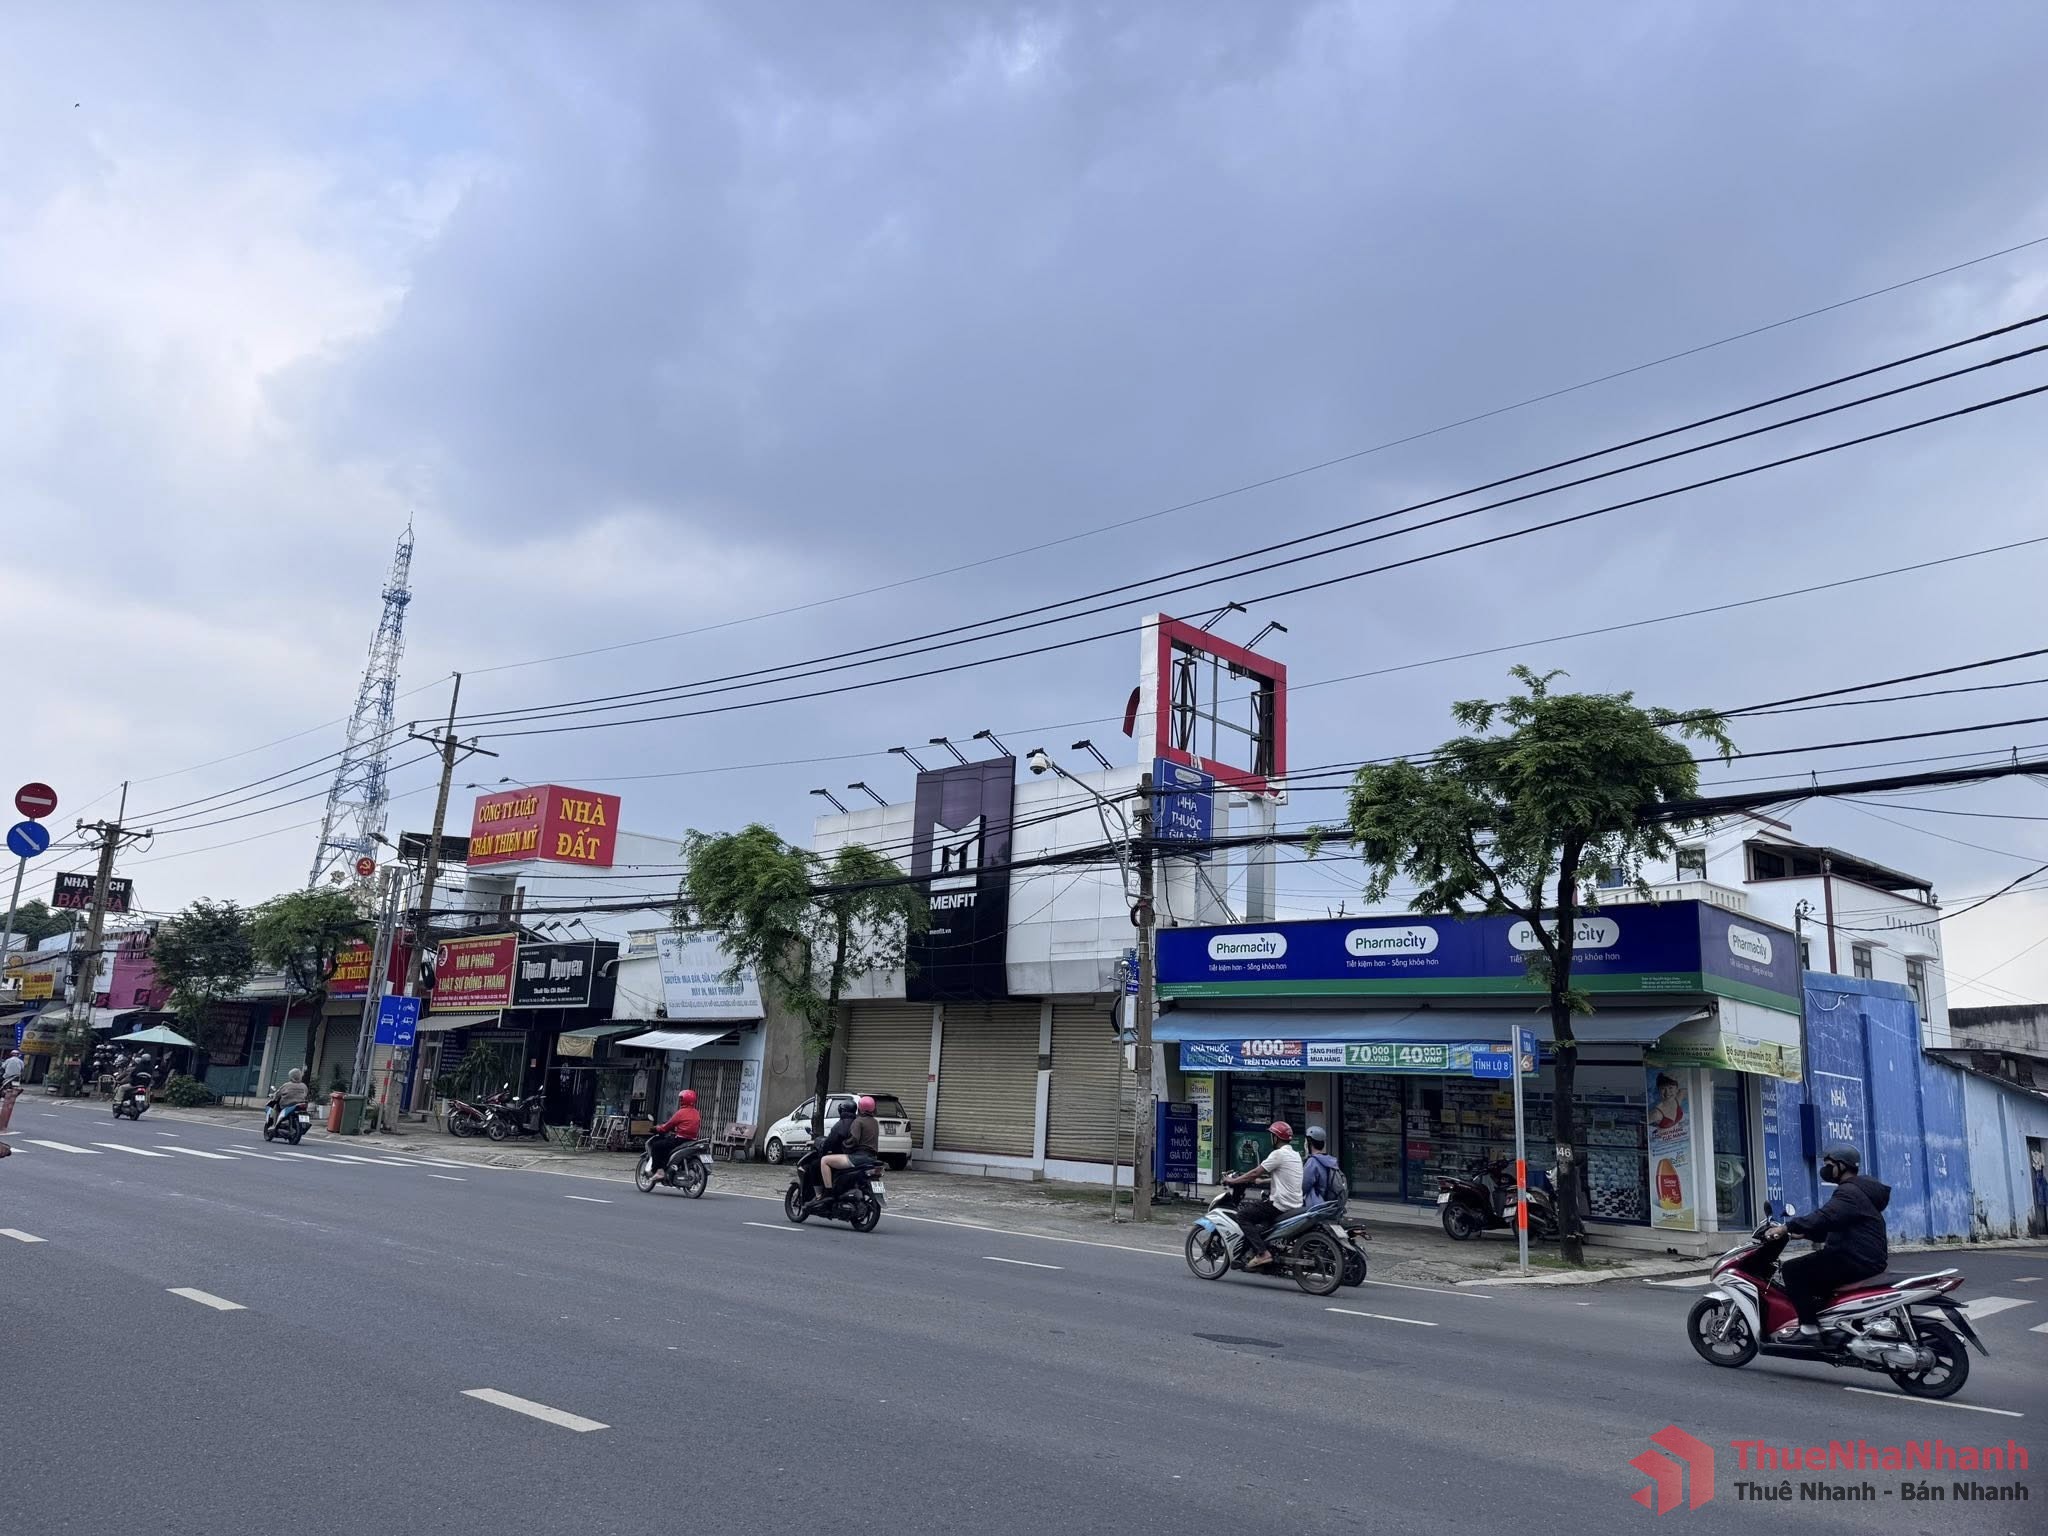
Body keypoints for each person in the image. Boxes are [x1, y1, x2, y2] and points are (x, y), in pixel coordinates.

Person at [1771, 1143, 1890, 1341]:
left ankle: (1808, 1329)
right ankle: (1834, 1324)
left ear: (1842, 1165)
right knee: (1814, 1276)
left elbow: (1825, 1216)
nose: (1824, 1170)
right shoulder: (1859, 1190)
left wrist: (1786, 1227)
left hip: (1854, 1259)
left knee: (1792, 1270)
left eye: (1828, 1165)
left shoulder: (1849, 1192)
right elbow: (1840, 1226)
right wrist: (1807, 1234)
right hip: (1863, 1257)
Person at [1226, 1121, 1303, 1268]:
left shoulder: (1278, 1154)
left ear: (1275, 1138)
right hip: (1295, 1204)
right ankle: (1249, 1254)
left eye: (1271, 1135)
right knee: (1259, 1223)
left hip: (1280, 1204)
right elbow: (1284, 1177)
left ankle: (1262, 1254)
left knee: (1242, 1216)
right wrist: (1262, 1181)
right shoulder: (1295, 1155)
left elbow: (1255, 1172)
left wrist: (1233, 1181)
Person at [807, 1100, 859, 1208]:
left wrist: (823, 1149)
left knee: (815, 1165)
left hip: (843, 1157)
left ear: (842, 1111)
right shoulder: (857, 1123)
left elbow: (830, 1142)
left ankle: (821, 1195)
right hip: (856, 1156)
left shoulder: (841, 1125)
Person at [644, 1089, 701, 1179]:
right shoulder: (696, 1113)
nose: (680, 1101)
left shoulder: (681, 1113)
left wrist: (657, 1128)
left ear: (685, 1100)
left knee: (656, 1146)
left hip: (680, 1140)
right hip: (692, 1140)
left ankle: (659, 1171)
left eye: (681, 1099)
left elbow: (667, 1126)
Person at [1301, 1126, 1341, 1211]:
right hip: (1328, 1205)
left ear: (1309, 1143)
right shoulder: (1331, 1160)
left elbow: (1303, 1186)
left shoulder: (1313, 1162)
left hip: (1315, 1207)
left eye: (1305, 1141)